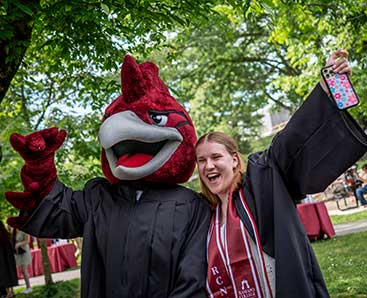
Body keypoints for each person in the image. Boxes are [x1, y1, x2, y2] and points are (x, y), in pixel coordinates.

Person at [5, 55, 210, 298]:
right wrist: (40, 167)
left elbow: (193, 278)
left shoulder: (192, 206)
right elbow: (58, 212)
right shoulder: (98, 198)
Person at [195, 49, 367, 298]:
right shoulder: (202, 213)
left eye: (216, 157)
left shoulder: (261, 181)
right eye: (201, 160)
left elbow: (290, 140)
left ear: (234, 160)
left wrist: (327, 85)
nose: (208, 165)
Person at [0, 221, 18, 298]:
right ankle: (12, 292)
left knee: (4, 274)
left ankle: (8, 293)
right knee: (10, 273)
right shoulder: (7, 236)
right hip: (9, 261)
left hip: (2, 261)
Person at [13, 229, 33, 294]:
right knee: (22, 270)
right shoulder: (14, 231)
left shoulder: (24, 229)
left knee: (24, 270)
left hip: (24, 251)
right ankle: (27, 287)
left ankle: (29, 288)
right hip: (18, 252)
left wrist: (19, 244)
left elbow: (28, 240)